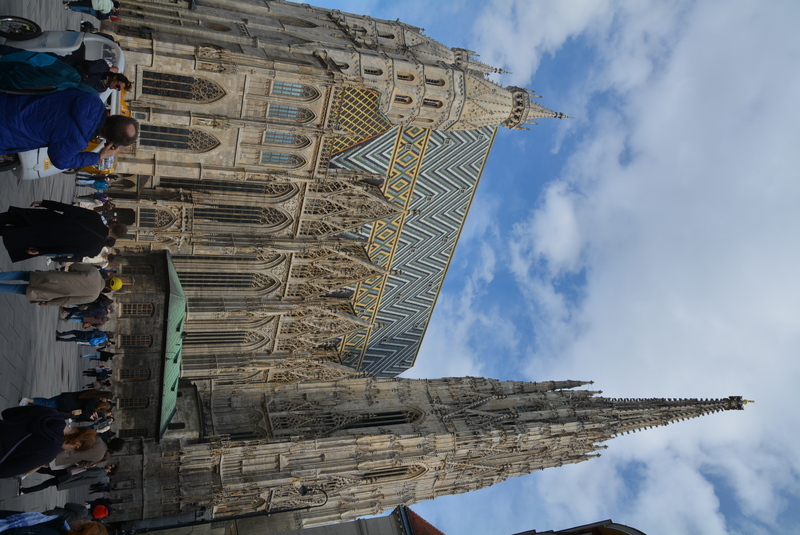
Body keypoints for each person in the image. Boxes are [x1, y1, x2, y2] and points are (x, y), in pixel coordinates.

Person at [0, 88, 138, 170]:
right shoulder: (76, 141)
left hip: (8, 100)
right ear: (109, 139)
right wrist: (99, 156)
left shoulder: (90, 95)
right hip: (7, 131)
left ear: (114, 116)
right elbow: (61, 161)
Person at [0, 200, 127, 262]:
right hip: (46, 239)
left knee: (12, 217)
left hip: (48, 220)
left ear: (113, 224)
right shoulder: (94, 249)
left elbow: (69, 209)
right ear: (115, 237)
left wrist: (46, 203)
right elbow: (64, 250)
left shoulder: (94, 217)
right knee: (11, 233)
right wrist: (41, 251)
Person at [0, 405, 97, 478]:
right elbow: (5, 471)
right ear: (76, 446)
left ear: (77, 427)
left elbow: (7, 413)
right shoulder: (50, 453)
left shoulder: (50, 413)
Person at [0, 265, 121, 307]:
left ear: (110, 278)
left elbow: (73, 266)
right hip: (50, 292)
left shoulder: (94, 272)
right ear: (109, 289)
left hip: (52, 277)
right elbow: (67, 300)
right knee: (16, 289)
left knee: (22, 275)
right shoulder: (93, 296)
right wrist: (48, 303)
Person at [19, 464, 117, 494]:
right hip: (69, 480)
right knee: (46, 480)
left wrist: (85, 466)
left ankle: (25, 468)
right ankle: (25, 489)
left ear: (110, 470)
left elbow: (84, 473)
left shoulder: (100, 472)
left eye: (111, 466)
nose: (109, 464)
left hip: (68, 476)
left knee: (47, 473)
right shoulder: (101, 476)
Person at [21, 389, 113, 420]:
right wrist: (90, 415)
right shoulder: (94, 399)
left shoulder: (94, 393)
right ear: (104, 396)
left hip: (67, 397)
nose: (106, 401)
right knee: (47, 403)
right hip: (67, 404)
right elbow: (85, 410)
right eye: (107, 399)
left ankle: (30, 402)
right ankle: (27, 400)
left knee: (47, 402)